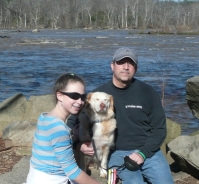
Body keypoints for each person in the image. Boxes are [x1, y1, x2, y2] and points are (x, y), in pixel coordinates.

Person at [68, 48, 174, 184]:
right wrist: (78, 144)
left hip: (149, 152)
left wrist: (143, 154)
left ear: (136, 68)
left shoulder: (148, 92)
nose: (126, 67)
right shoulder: (99, 95)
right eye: (121, 62)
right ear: (112, 66)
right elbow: (72, 120)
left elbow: (160, 129)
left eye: (130, 63)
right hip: (117, 153)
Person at [25, 73, 100, 184]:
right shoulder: (58, 129)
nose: (79, 102)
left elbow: (53, 145)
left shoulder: (45, 117)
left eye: (83, 97)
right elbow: (73, 172)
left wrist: (73, 138)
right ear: (59, 96)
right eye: (74, 96)